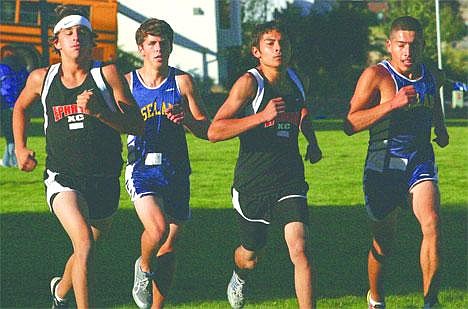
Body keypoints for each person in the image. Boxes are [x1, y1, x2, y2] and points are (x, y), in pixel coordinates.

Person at [12, 5, 144, 308]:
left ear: (92, 41)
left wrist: (100, 111)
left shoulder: (106, 75)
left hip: (104, 180)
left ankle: (60, 292)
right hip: (62, 178)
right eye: (68, 33)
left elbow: (137, 125)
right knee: (83, 243)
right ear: (56, 42)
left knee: (84, 248)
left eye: (82, 33)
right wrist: (20, 147)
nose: (76, 39)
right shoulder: (41, 79)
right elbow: (19, 108)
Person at [208, 21, 322, 309]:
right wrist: (261, 117)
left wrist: (312, 141)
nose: (278, 48)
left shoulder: (298, 80)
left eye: (282, 43)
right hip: (254, 182)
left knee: (300, 248)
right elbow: (215, 130)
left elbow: (301, 110)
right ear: (256, 51)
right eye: (270, 43)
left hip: (290, 178)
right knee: (250, 254)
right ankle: (239, 275)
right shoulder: (249, 83)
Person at [344, 16, 449, 309]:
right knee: (383, 244)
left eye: (414, 45)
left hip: (420, 162)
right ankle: (375, 298)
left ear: (424, 46)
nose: (407, 52)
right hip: (383, 168)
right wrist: (392, 104)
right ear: (389, 45)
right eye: (401, 45)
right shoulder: (376, 75)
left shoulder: (432, 74)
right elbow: (349, 123)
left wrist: (440, 128)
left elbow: (433, 102)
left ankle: (431, 302)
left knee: (432, 223)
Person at [125, 18, 210, 309]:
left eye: (163, 42)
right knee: (158, 230)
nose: (158, 48)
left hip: (176, 169)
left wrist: (185, 119)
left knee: (170, 246)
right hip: (142, 168)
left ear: (171, 46)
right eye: (152, 43)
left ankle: (157, 306)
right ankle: (144, 267)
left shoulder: (182, 82)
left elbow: (205, 128)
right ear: (141, 49)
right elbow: (112, 120)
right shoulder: (127, 83)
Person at [0, 46, 28, 167]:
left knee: (9, 133)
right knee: (17, 132)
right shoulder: (22, 69)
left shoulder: (2, 68)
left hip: (5, 104)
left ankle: (14, 160)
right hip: (21, 104)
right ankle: (7, 160)